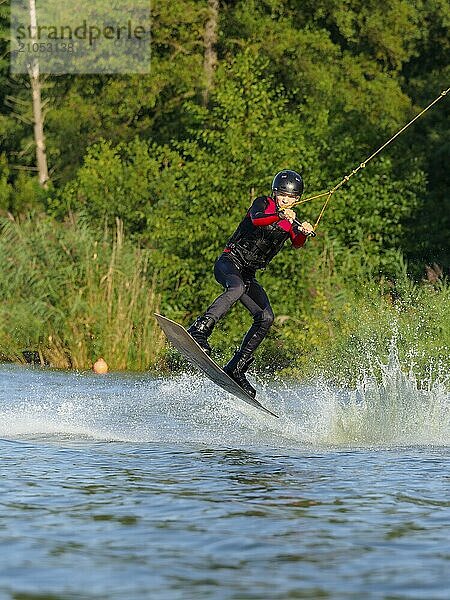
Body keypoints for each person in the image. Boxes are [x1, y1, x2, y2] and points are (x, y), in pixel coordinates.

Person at [187, 169, 314, 398]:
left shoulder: (289, 222)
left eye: (291, 197)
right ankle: (199, 329)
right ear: (275, 194)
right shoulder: (262, 204)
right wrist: (280, 216)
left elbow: (297, 243)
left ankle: (236, 367)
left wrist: (304, 231)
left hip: (248, 275)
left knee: (266, 317)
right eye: (282, 195)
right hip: (229, 263)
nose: (286, 200)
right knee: (235, 288)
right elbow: (258, 220)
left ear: (298, 199)